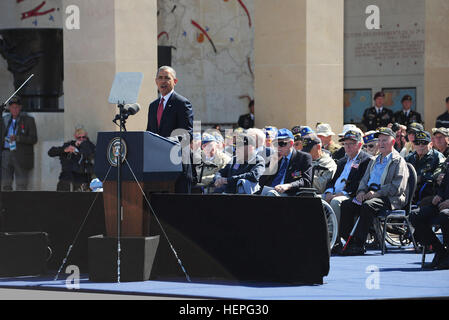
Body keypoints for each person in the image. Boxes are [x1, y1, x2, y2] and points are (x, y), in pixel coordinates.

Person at [339, 127, 409, 255]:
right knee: (347, 205)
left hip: (390, 197)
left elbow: (397, 187)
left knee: (367, 206)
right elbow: (364, 180)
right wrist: (360, 192)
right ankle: (349, 240)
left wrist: (377, 193)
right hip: (370, 194)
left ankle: (360, 244)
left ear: (392, 142)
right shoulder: (374, 160)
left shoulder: (398, 161)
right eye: (380, 140)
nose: (381, 143)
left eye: (384, 140)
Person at [146, 66, 194, 193]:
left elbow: (187, 135)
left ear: (175, 81)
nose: (163, 81)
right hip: (157, 167)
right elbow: (150, 133)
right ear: (156, 81)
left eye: (167, 78)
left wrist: (163, 142)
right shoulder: (153, 106)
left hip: (177, 165)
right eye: (160, 78)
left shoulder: (182, 103)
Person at [323, 129, 372, 252]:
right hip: (334, 193)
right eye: (345, 143)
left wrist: (342, 193)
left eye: (352, 143)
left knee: (336, 202)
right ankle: (319, 237)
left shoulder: (366, 160)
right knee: (316, 199)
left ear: (360, 145)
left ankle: (335, 240)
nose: (348, 146)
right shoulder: (342, 161)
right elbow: (332, 180)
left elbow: (361, 183)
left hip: (352, 195)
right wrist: (329, 191)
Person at [410, 163, 449, 270]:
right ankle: (439, 250)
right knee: (415, 215)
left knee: (445, 216)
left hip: (446, 208)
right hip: (442, 203)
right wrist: (439, 194)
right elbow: (445, 182)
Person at [258, 128, 312, 196]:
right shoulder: (274, 157)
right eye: (276, 144)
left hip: (289, 193)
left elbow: (306, 181)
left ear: (291, 143)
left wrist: (288, 186)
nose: (278, 147)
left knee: (270, 195)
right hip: (270, 191)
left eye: (281, 144)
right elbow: (261, 182)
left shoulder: (303, 157)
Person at [1, 96, 37, 191]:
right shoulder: (5, 119)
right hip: (6, 153)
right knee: (5, 184)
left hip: (20, 154)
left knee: (21, 185)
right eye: (12, 107)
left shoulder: (28, 120)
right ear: (9, 108)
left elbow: (33, 139)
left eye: (17, 107)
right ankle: (7, 205)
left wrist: (18, 138)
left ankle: (20, 205)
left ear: (20, 107)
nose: (14, 109)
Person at [48, 127, 96, 191]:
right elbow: (51, 152)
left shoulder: (89, 145)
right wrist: (65, 150)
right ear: (75, 137)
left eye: (83, 137)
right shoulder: (70, 144)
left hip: (82, 178)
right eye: (79, 137)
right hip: (67, 178)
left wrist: (81, 145)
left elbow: (91, 153)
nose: (81, 139)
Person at [405, 130, 445, 205]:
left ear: (431, 144)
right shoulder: (409, 157)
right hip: (410, 193)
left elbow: (440, 176)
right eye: (417, 143)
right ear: (413, 144)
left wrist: (421, 177)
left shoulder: (438, 157)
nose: (420, 145)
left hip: (429, 194)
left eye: (424, 143)